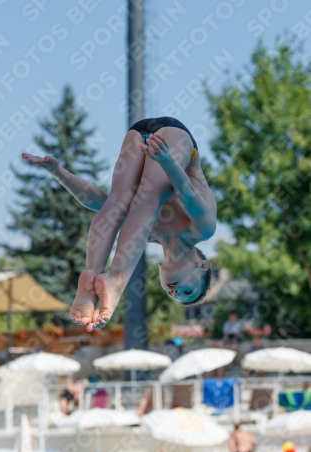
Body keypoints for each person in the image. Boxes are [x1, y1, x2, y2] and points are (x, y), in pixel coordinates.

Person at [22, 116, 216, 331]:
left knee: (117, 202)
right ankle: (115, 280)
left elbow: (98, 202)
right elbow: (187, 193)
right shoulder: (202, 230)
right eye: (188, 291)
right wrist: (167, 160)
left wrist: (58, 173)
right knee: (148, 198)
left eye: (172, 295)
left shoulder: (143, 232)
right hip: (175, 136)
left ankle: (92, 277)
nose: (175, 292)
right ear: (202, 266)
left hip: (138, 133)